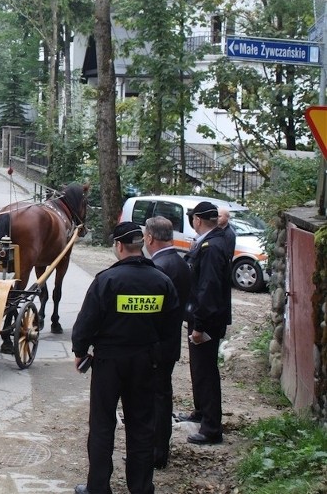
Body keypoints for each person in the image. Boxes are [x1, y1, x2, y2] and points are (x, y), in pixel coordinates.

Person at [72, 222, 179, 494]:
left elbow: (86, 322)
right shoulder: (161, 281)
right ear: (140, 245)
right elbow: (170, 327)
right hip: (145, 362)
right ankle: (141, 487)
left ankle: (98, 487)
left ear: (119, 246)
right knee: (142, 425)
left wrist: (80, 352)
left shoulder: (107, 280)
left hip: (109, 362)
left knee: (102, 425)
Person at [178, 201, 232, 445]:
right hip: (204, 316)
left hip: (207, 319)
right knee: (199, 369)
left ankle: (211, 427)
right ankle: (201, 412)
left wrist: (199, 325)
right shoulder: (213, 241)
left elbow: (208, 289)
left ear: (197, 220)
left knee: (206, 372)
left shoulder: (212, 247)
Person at [144, 216, 191, 470]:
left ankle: (154, 452)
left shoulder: (158, 268)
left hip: (155, 347)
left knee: (154, 400)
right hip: (170, 343)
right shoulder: (181, 263)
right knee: (162, 396)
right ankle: (159, 449)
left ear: (150, 238)